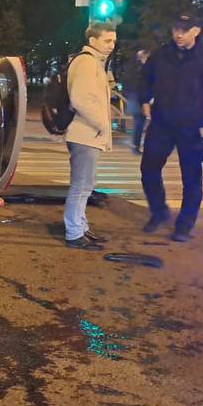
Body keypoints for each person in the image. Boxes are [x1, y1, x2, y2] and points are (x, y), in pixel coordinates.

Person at [137, 11, 203, 242]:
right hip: (162, 123)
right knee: (148, 169)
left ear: (196, 31)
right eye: (175, 29)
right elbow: (145, 78)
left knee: (192, 177)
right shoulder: (161, 54)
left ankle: (185, 224)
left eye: (184, 30)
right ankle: (159, 212)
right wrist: (144, 100)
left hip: (194, 126)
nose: (178, 34)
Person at [62, 22, 117, 251]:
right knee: (80, 186)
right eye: (107, 40)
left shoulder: (95, 63)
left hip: (90, 134)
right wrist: (103, 124)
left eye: (114, 41)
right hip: (85, 134)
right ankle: (73, 233)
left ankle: (81, 227)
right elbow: (80, 99)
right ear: (92, 41)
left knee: (86, 186)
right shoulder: (86, 62)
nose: (112, 45)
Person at [122, 49, 150, 153]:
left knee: (139, 122)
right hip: (137, 97)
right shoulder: (139, 69)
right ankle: (137, 146)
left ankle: (136, 146)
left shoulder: (133, 68)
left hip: (135, 97)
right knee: (139, 121)